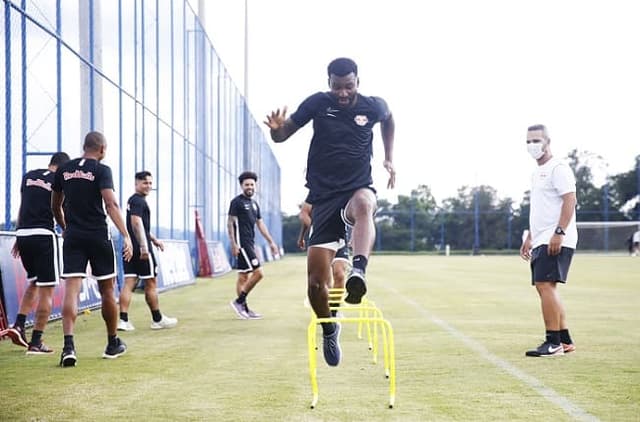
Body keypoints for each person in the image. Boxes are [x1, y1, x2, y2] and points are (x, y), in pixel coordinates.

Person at [264, 57, 395, 366]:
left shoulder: (372, 106)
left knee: (365, 204)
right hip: (322, 199)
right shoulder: (318, 104)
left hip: (355, 189)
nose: (343, 94)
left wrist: (389, 157)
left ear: (357, 82)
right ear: (329, 84)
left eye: (348, 87)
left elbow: (389, 119)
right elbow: (283, 136)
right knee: (314, 285)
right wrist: (275, 130)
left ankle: (359, 271)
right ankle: (328, 327)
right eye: (337, 87)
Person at [52, 131, 133, 367]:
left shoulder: (65, 169)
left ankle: (68, 347)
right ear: (102, 149)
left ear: (83, 146)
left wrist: (65, 227)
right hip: (98, 235)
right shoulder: (101, 170)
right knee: (107, 290)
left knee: (71, 290)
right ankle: (112, 343)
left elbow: (55, 206)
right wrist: (126, 235)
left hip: (74, 236)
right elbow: (111, 204)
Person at [1, 152, 70, 354]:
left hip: (23, 233)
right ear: (62, 167)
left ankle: (19, 325)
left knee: (34, 282)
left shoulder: (29, 176)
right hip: (44, 235)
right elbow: (59, 210)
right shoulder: (60, 181)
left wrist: (18, 235)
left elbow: (22, 207)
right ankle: (36, 342)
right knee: (47, 289)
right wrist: (66, 229)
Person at [519, 124, 577, 357]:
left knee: (545, 285)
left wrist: (559, 233)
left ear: (547, 141)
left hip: (556, 238)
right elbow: (543, 209)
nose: (532, 145)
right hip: (541, 237)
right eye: (528, 141)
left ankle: (552, 343)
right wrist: (530, 236)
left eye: (536, 140)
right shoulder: (536, 173)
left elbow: (570, 200)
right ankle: (564, 340)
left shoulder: (558, 168)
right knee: (545, 288)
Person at [117, 171, 177, 332]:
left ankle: (123, 320)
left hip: (129, 247)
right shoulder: (138, 201)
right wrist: (144, 246)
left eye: (150, 183)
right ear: (136, 184)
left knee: (129, 282)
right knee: (151, 283)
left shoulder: (133, 200)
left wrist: (154, 239)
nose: (148, 186)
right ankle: (157, 319)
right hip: (140, 249)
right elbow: (136, 223)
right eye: (145, 183)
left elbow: (141, 226)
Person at [227, 171, 279, 320]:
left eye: (251, 184)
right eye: (246, 184)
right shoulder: (236, 202)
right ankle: (239, 301)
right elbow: (230, 223)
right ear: (241, 186)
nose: (249, 187)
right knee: (259, 273)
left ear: (255, 186)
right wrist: (233, 244)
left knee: (243, 276)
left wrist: (271, 242)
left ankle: (244, 309)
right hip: (242, 244)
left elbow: (260, 224)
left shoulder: (255, 204)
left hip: (250, 242)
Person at [298, 199, 350, 317]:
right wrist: (304, 234)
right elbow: (304, 213)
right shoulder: (318, 188)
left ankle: (334, 311)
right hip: (321, 238)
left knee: (340, 274)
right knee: (323, 281)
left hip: (340, 238)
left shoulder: (346, 187)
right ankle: (324, 309)